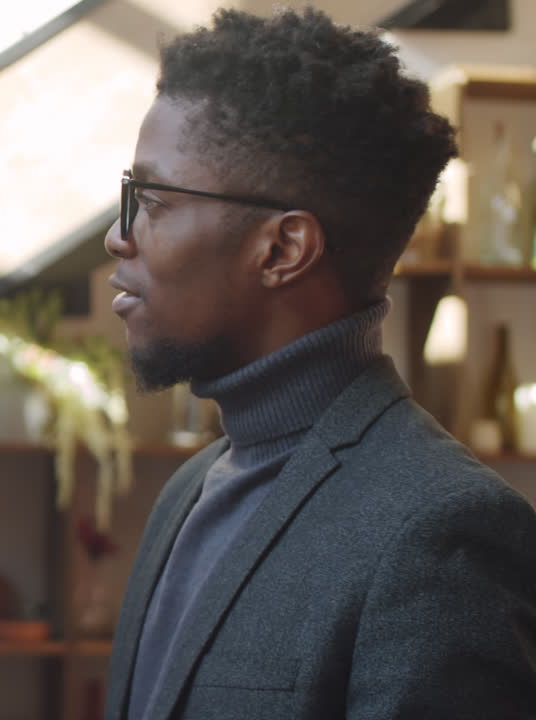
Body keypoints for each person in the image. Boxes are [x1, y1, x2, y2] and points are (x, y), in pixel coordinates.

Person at [102, 7, 536, 720]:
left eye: (150, 201)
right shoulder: (189, 489)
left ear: (283, 250)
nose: (119, 236)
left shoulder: (442, 533)